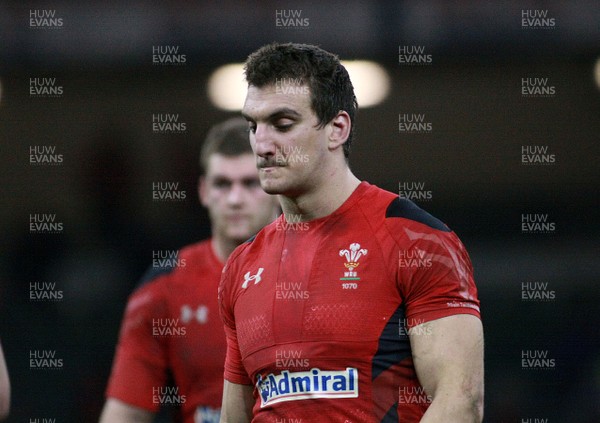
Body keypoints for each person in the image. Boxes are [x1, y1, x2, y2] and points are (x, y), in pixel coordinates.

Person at [218, 42, 484, 422]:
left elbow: (460, 401)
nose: (261, 144)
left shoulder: (416, 241)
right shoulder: (241, 267)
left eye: (282, 124)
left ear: (337, 129)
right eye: (253, 125)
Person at [99, 118, 280, 423]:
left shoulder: (319, 273)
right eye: (223, 184)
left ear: (275, 185)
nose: (235, 199)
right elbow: (124, 414)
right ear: (204, 191)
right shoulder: (165, 288)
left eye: (250, 183)